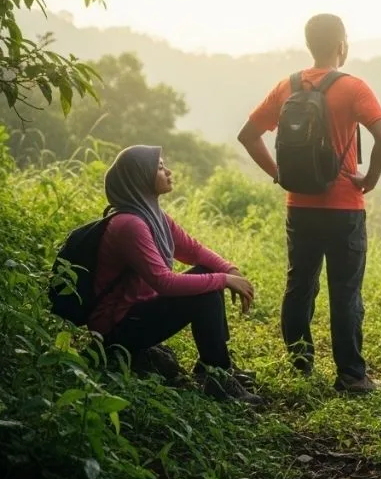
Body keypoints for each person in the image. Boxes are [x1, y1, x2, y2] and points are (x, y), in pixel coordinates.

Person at [237, 13, 381, 392]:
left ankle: (300, 362)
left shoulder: (286, 87)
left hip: (299, 205)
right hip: (344, 208)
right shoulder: (353, 87)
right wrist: (369, 180)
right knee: (345, 291)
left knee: (299, 283)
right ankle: (352, 376)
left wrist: (279, 174)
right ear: (342, 45)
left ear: (310, 46)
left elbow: (248, 135)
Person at [89, 145, 261, 403]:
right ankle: (219, 379)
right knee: (206, 289)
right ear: (140, 176)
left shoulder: (153, 216)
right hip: (117, 329)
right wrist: (224, 280)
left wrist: (229, 269)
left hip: (137, 314)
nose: (168, 172)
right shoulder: (129, 225)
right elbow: (164, 283)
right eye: (159, 167)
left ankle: (212, 366)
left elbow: (194, 250)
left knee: (207, 274)